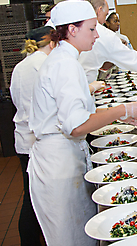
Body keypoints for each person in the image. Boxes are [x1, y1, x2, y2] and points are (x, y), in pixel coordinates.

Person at [27, 0, 137, 246]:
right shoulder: (65, 64)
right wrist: (122, 109)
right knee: (72, 240)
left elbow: (74, 112)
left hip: (62, 159)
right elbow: (75, 125)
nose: (97, 35)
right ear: (72, 30)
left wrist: (120, 114)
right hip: (58, 166)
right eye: (91, 29)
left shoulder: (65, 60)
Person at [10, 26, 55, 246]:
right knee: (34, 202)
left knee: (30, 197)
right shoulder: (44, 65)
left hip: (24, 140)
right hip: (37, 142)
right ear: (53, 43)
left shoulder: (20, 66)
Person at [78, 0, 137, 83]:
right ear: (99, 10)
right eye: (105, 15)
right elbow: (131, 58)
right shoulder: (103, 33)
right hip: (85, 85)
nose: (104, 21)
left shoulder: (75, 29)